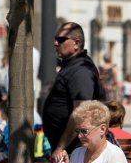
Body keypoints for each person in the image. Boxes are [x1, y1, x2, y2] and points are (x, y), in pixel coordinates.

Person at [40, 21, 104, 154]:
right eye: (55, 39)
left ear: (76, 43)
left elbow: (81, 112)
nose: (55, 43)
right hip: (70, 150)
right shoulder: (72, 66)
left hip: (75, 150)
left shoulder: (81, 70)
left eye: (61, 39)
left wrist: (61, 147)